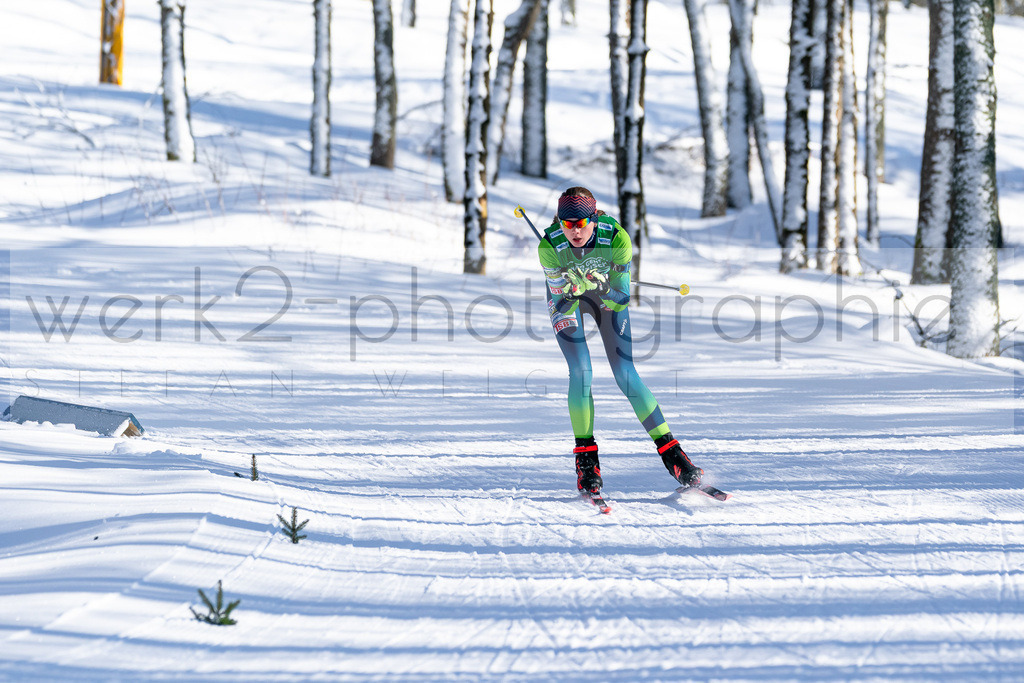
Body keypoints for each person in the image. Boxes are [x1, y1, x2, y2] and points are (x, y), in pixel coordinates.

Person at [538, 186, 703, 496]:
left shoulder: (616, 238)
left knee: (625, 374)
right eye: (567, 223)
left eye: (581, 222)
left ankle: (673, 455)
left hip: (606, 299)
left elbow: (623, 297)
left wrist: (601, 288)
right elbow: (562, 305)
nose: (575, 230)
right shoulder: (550, 245)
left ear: (594, 218)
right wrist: (572, 291)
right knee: (581, 372)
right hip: (569, 302)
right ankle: (587, 462)